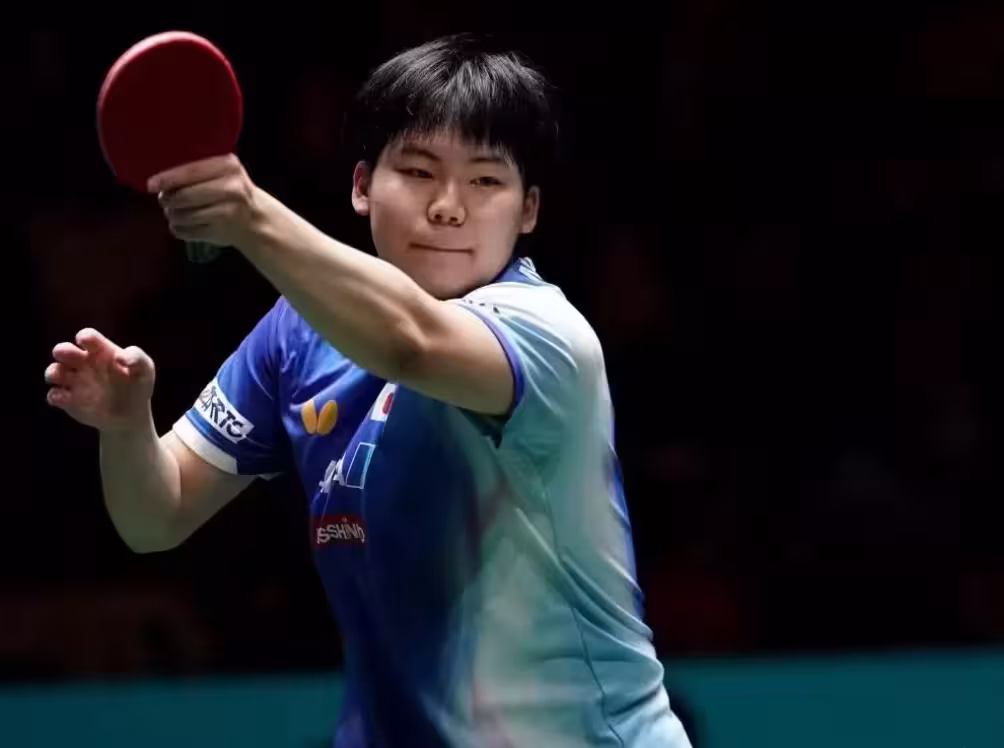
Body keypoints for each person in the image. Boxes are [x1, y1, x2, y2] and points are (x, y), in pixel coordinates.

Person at [45, 34, 691, 748]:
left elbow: (409, 342)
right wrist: (126, 427)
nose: (448, 207)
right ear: (361, 186)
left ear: (528, 209)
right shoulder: (297, 335)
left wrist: (250, 215)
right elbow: (156, 516)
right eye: (417, 172)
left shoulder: (547, 336)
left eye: (485, 181)